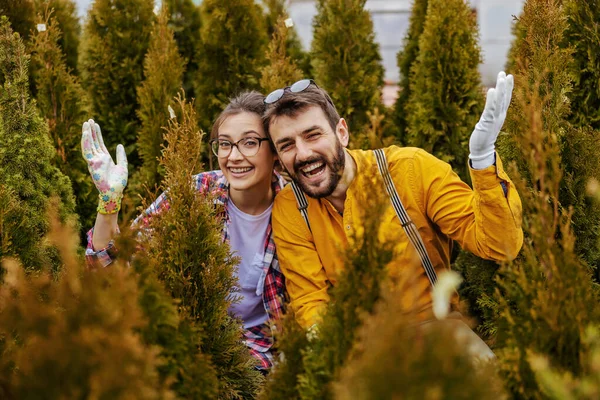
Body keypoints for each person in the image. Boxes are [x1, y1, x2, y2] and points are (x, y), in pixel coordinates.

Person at [263, 73, 523, 333]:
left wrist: (482, 158)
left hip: (437, 333)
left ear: (341, 132)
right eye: (287, 145)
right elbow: (310, 301)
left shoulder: (410, 169)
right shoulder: (290, 207)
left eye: (312, 135)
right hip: (355, 346)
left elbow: (499, 246)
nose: (303, 153)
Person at [82, 91, 287, 371]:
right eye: (224, 144)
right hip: (186, 340)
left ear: (274, 150)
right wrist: (109, 203)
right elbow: (111, 269)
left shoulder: (298, 209)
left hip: (259, 354)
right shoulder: (195, 192)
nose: (234, 156)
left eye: (249, 142)